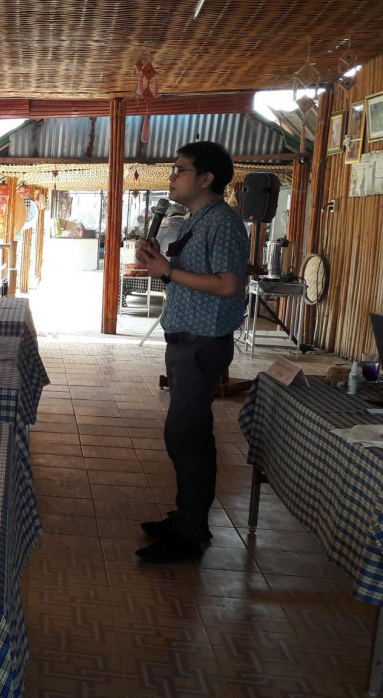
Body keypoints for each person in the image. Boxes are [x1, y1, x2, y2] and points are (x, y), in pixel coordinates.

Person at [133, 141, 249, 563]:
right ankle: (187, 518)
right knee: (186, 434)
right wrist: (159, 266)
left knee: (187, 434)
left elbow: (228, 284)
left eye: (180, 169)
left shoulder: (223, 223)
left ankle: (191, 533)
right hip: (185, 340)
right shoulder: (194, 220)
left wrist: (168, 270)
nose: (172, 176)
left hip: (203, 343)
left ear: (206, 179)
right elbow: (186, 277)